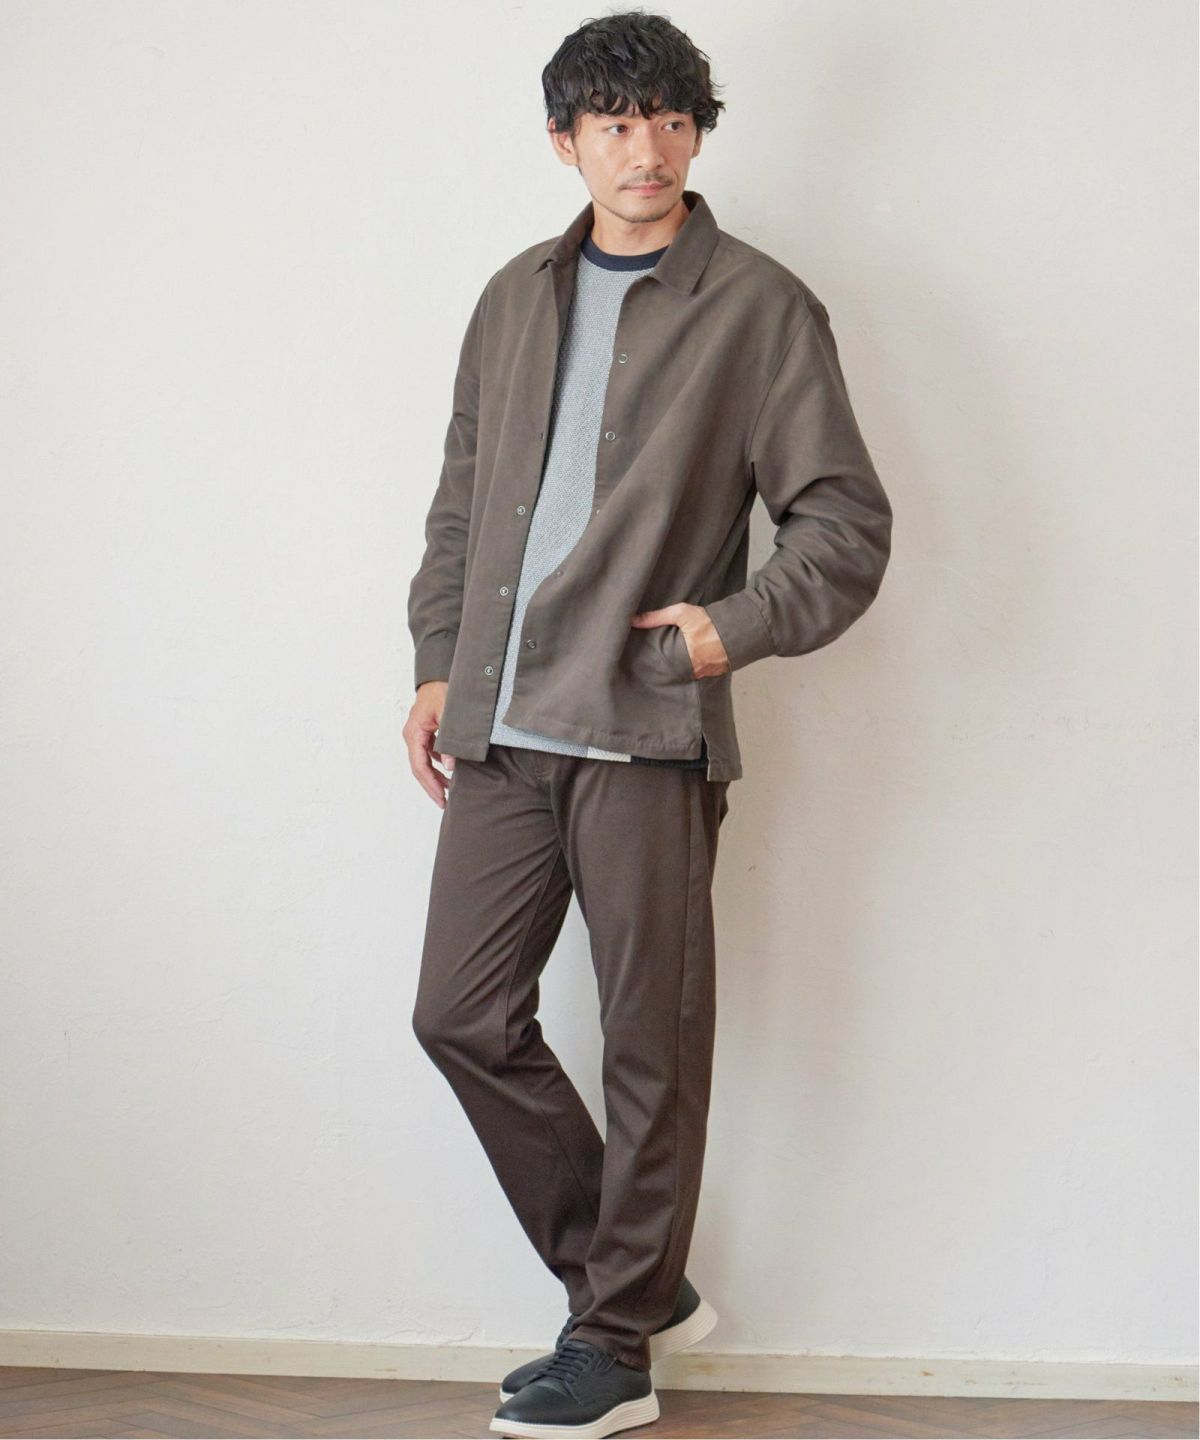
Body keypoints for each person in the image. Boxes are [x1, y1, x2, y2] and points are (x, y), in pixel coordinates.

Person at [405, 12, 893, 1437]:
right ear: (565, 140)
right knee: (459, 1014)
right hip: (503, 724)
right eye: (616, 123)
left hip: (644, 724)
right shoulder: (513, 297)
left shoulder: (761, 308)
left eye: (672, 120)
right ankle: (634, 1288)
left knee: (649, 1048)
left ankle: (612, 1347)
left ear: (696, 133)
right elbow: (460, 504)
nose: (647, 149)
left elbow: (845, 523)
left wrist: (728, 628)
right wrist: (439, 663)